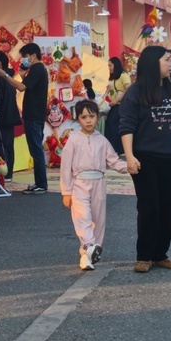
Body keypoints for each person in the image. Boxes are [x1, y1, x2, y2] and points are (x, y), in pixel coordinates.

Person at [119, 46, 171, 273]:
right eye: (167, 60)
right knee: (149, 208)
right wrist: (129, 156)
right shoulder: (135, 93)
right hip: (144, 159)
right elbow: (126, 126)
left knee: (169, 208)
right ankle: (144, 256)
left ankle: (160, 254)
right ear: (152, 62)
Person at [60, 100, 128, 271]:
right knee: (82, 217)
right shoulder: (73, 140)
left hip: (99, 183)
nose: (88, 120)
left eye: (91, 116)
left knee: (98, 219)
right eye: (83, 117)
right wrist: (66, 191)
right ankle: (88, 248)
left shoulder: (102, 140)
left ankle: (90, 254)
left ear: (98, 117)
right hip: (79, 184)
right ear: (78, 119)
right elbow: (65, 167)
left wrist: (129, 167)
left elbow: (113, 161)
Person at [0, 42, 49, 194]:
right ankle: (39, 182)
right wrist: (21, 74)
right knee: (35, 149)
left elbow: (21, 87)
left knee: (36, 150)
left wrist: (5, 75)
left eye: (25, 56)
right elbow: (26, 83)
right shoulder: (36, 69)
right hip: (33, 115)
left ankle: (41, 184)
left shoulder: (38, 68)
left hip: (34, 116)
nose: (23, 60)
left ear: (33, 55)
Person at [0, 51, 21, 181]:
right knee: (9, 145)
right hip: (10, 116)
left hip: (2, 117)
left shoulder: (0, 78)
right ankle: (9, 172)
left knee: (3, 146)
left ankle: (5, 173)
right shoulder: (10, 77)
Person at [104, 56, 131, 154]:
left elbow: (128, 89)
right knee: (111, 124)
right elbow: (110, 90)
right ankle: (114, 148)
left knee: (113, 124)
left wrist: (117, 100)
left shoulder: (123, 75)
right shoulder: (112, 77)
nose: (109, 68)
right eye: (108, 66)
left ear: (116, 65)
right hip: (113, 104)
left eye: (110, 65)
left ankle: (117, 148)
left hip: (121, 105)